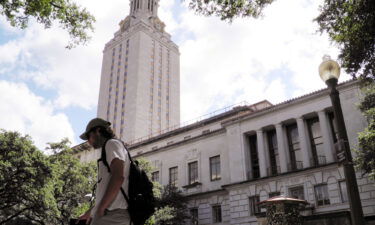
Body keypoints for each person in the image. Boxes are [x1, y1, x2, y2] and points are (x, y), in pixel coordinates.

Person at [77, 118, 131, 225]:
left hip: (113, 214)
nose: (88, 141)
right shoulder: (109, 148)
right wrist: (91, 212)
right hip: (112, 213)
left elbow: (118, 177)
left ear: (98, 131)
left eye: (88, 136)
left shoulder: (111, 144)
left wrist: (101, 208)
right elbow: (108, 188)